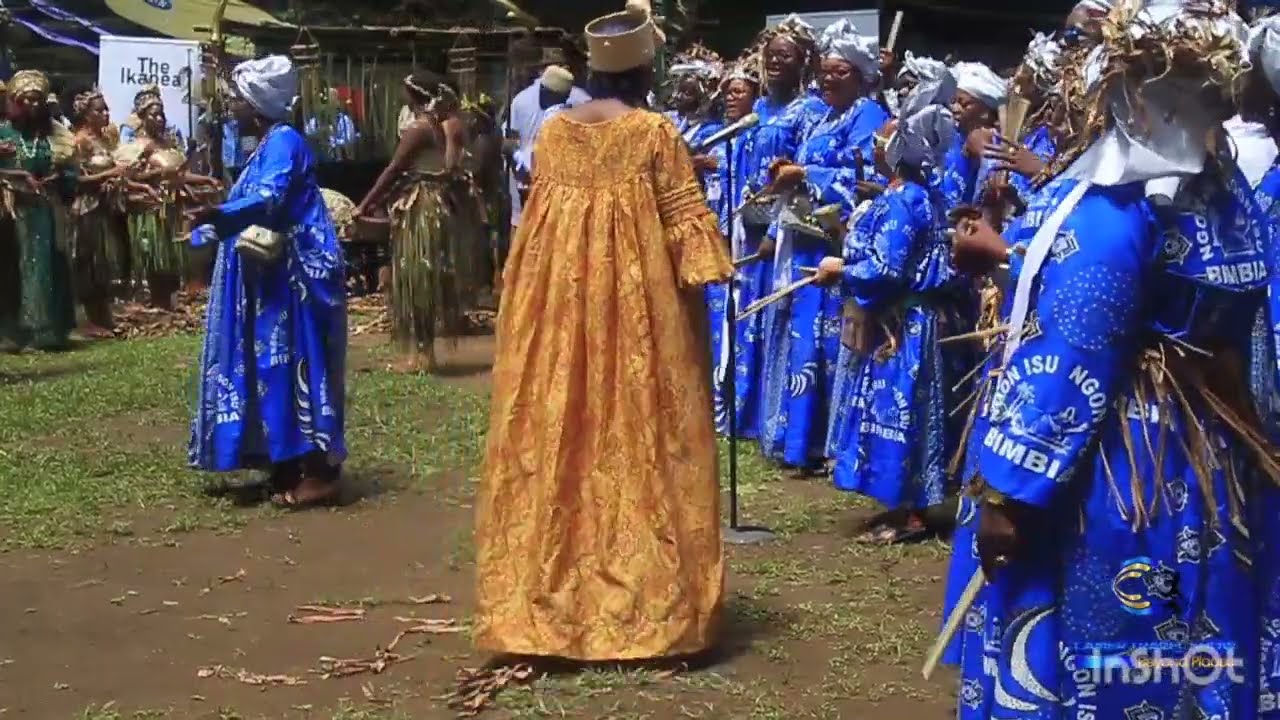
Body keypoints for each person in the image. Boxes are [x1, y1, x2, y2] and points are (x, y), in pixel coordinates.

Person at [941, 3, 1277, 716]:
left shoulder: (1117, 209)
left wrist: (1006, 493)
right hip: (1210, 454)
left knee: (1103, 647)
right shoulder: (1228, 191)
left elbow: (1071, 355)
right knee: (1192, 633)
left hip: (1119, 467)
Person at [473, 0, 731, 662]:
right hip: (644, 316)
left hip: (560, 310)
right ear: (647, 70)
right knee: (642, 432)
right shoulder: (655, 135)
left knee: (564, 432)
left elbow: (533, 232)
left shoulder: (555, 133)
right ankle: (647, 607)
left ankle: (552, 598)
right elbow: (688, 233)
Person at [187, 55, 347, 510]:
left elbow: (269, 197)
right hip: (275, 280)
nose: (230, 106)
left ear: (257, 104)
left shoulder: (284, 142)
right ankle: (283, 462)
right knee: (272, 368)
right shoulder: (266, 143)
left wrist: (220, 215)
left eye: (236, 98)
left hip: (298, 280)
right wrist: (206, 228)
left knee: (300, 365)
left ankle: (319, 473)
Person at [821, 75, 965, 544]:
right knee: (899, 409)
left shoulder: (906, 201)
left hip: (903, 325)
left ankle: (911, 513)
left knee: (902, 411)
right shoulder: (916, 196)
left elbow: (887, 267)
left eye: (884, 135)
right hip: (903, 323)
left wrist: (841, 266)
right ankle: (905, 506)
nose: (877, 142)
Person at [760, 19, 888, 474]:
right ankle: (797, 441)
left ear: (860, 76)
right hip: (805, 240)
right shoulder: (822, 116)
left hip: (837, 246)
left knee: (829, 346)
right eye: (826, 72)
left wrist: (808, 176)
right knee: (802, 342)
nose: (829, 79)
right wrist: (786, 170)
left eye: (841, 72)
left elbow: (872, 184)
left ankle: (827, 445)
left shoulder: (869, 117)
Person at [354, 72, 475, 373]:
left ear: (414, 95)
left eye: (405, 91)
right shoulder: (434, 125)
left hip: (421, 208)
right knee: (422, 280)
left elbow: (393, 170)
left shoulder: (419, 129)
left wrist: (365, 204)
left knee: (416, 279)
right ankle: (425, 353)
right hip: (432, 205)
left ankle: (421, 355)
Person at [115, 89, 220, 310]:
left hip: (174, 209)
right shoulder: (136, 147)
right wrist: (153, 175)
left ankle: (169, 304)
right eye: (154, 115)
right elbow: (126, 178)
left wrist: (205, 181)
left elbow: (179, 175)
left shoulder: (168, 144)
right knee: (156, 259)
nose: (160, 119)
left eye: (162, 114)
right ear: (142, 117)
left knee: (173, 260)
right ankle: (158, 302)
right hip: (152, 210)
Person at [0, 70, 78, 352]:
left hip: (44, 212)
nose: (34, 106)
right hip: (11, 212)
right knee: (12, 269)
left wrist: (60, 179)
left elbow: (72, 173)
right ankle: (12, 333)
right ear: (16, 102)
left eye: (38, 101)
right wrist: (14, 176)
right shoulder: (4, 133)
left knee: (44, 268)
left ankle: (45, 331)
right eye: (28, 101)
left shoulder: (54, 137)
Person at [710, 55, 761, 435]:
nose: (730, 97)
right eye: (727, 91)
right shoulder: (721, 137)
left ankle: (738, 411)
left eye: (739, 91)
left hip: (749, 248)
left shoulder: (755, 135)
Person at [66, 86, 128, 338]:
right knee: (88, 263)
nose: (106, 114)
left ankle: (103, 316)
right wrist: (109, 175)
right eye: (99, 110)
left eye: (106, 109)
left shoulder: (105, 140)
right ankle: (88, 320)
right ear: (86, 113)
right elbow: (75, 179)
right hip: (85, 209)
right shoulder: (78, 141)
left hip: (105, 207)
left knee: (104, 264)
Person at [503, 65, 590, 233]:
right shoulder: (522, 101)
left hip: (560, 193)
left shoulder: (579, 106)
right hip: (527, 187)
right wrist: (516, 162)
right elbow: (510, 141)